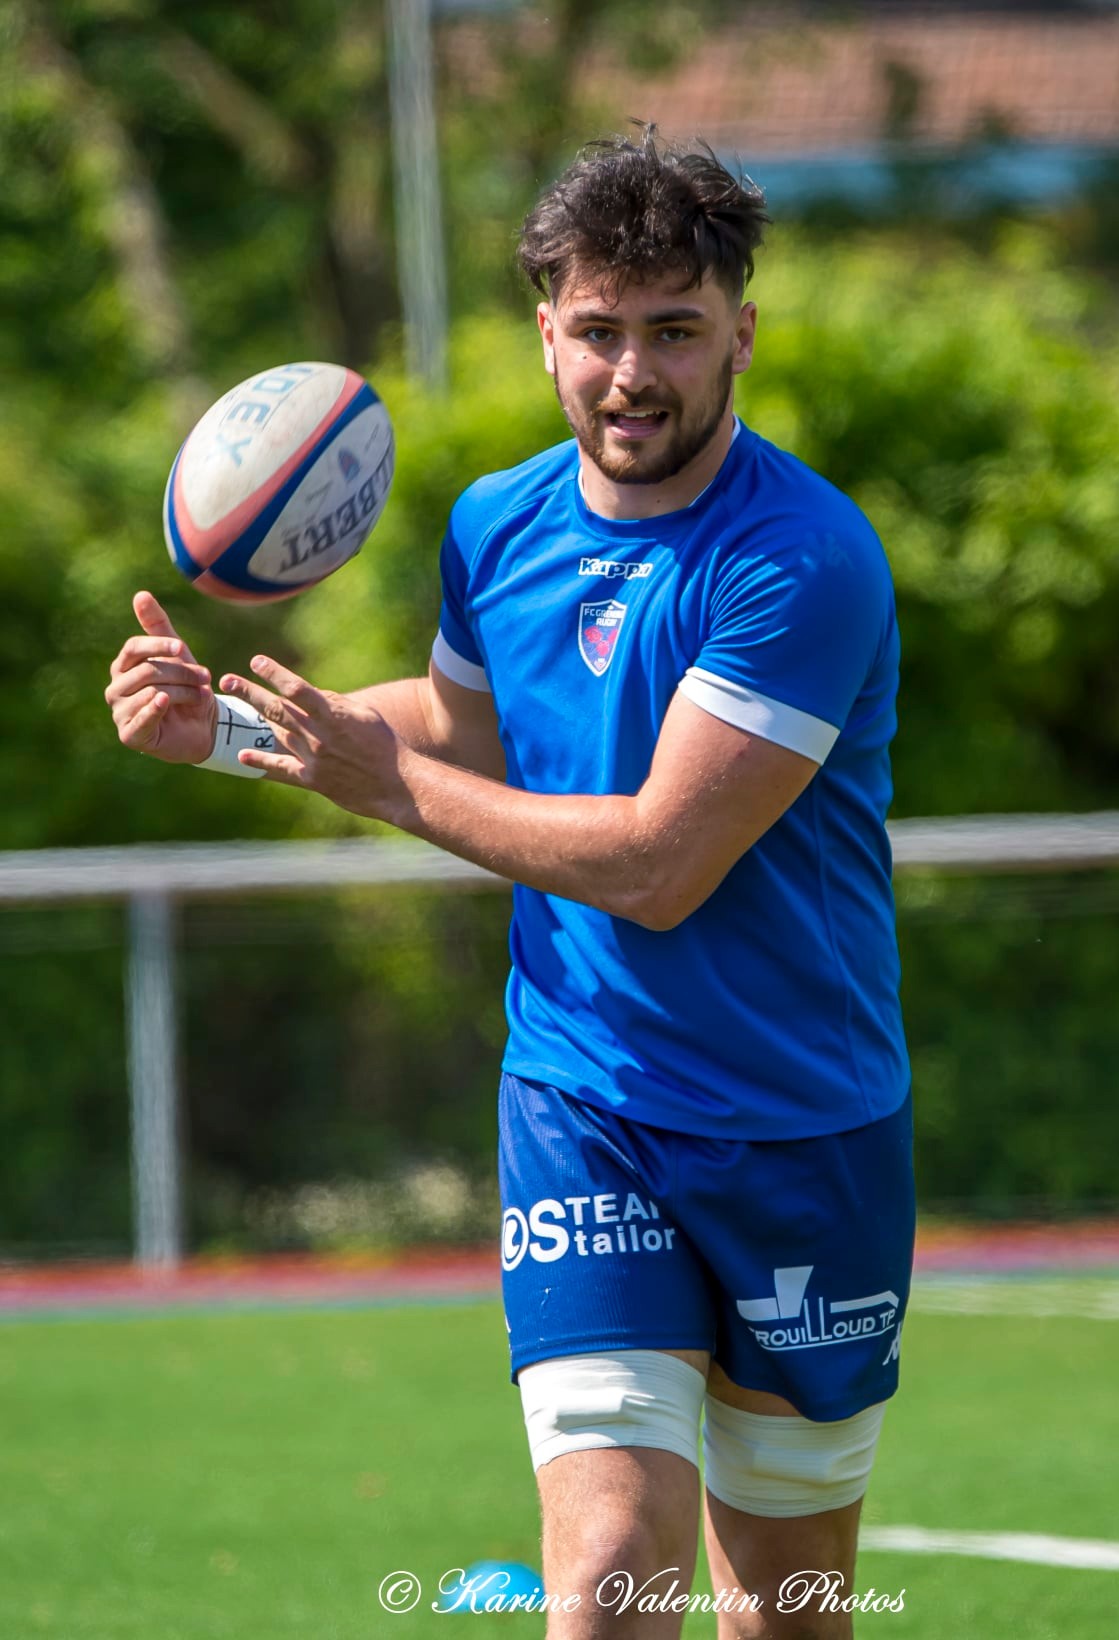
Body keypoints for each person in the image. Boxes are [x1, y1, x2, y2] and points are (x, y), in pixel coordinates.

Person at [105, 128, 913, 1639]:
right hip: (586, 1105)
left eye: (674, 331)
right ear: (545, 331)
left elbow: (664, 861)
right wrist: (214, 727)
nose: (632, 372)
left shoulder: (802, 559)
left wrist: (383, 784)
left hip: (807, 1125)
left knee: (786, 1609)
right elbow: (459, 733)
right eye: (599, 330)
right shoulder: (498, 526)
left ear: (742, 330)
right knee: (608, 1573)